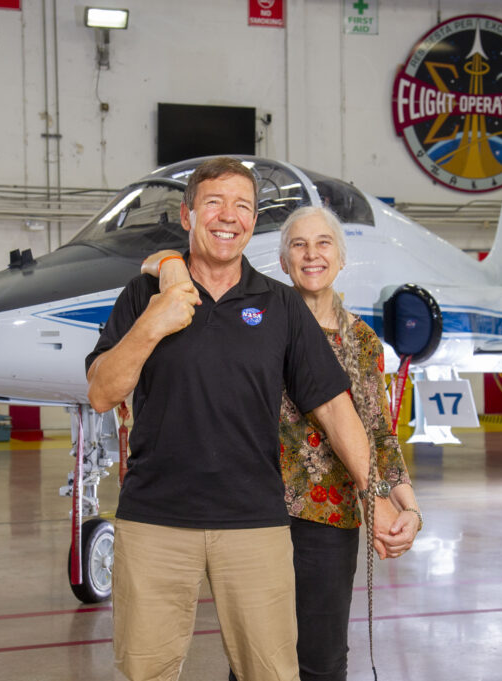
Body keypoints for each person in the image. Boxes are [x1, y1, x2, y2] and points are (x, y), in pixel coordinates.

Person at [85, 157, 397, 681]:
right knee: (145, 671)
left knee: (272, 673)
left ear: (253, 222)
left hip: (254, 524)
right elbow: (100, 392)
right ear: (187, 215)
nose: (228, 216)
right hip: (155, 520)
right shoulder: (143, 295)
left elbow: (333, 404)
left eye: (242, 206)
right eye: (213, 202)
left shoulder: (280, 306)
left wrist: (377, 492)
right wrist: (154, 323)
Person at [145, 206, 421, 681]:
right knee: (255, 659)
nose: (312, 254)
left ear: (341, 257)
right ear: (283, 259)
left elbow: (378, 434)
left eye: (323, 243)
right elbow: (156, 260)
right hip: (254, 515)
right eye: (299, 245)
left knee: (322, 659)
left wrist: (407, 508)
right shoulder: (258, 321)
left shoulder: (363, 341)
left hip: (330, 519)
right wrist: (170, 263)